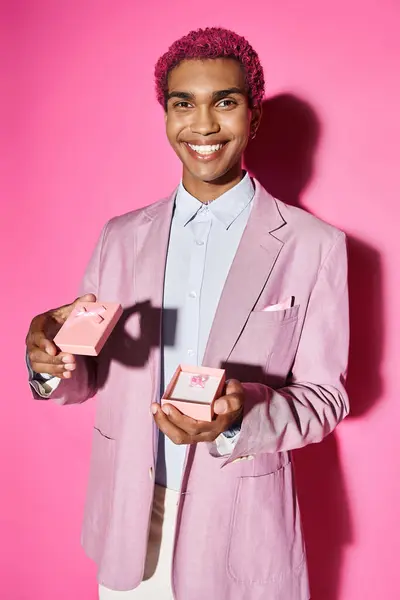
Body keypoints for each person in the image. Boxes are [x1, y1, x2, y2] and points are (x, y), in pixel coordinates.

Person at [25, 27, 349, 600]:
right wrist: (49, 361)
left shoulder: (313, 245)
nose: (202, 125)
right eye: (183, 104)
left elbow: (326, 398)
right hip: (129, 523)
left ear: (254, 117)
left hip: (242, 529)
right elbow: (86, 373)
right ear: (166, 115)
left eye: (224, 102)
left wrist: (241, 411)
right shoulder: (120, 237)